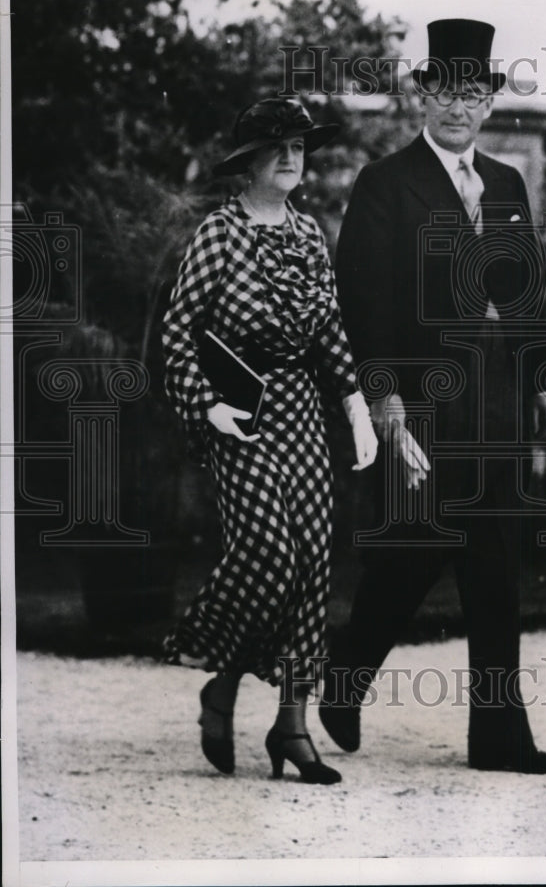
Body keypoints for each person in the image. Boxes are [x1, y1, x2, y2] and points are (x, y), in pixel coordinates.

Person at [319, 19, 546, 774]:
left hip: (493, 405)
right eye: (444, 91)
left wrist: (540, 386)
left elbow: (525, 297)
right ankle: (346, 674)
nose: (457, 107)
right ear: (423, 95)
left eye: (472, 93)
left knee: (496, 568)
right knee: (414, 550)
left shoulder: (507, 185)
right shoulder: (387, 185)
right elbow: (362, 301)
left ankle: (499, 737)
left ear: (488, 103)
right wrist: (384, 399)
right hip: (423, 406)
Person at [162, 97, 377, 785]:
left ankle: (292, 725)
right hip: (239, 413)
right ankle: (218, 685)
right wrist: (206, 407)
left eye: (299, 146)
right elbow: (176, 334)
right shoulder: (219, 234)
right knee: (268, 554)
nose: (292, 156)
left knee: (313, 561)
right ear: (248, 161)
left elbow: (331, 331)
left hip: (302, 412)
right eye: (277, 146)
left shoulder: (310, 234)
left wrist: (355, 406)